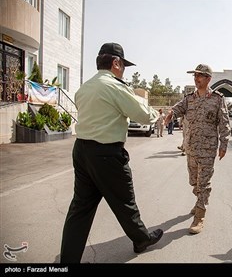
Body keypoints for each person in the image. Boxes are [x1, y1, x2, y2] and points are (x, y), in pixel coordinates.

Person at [60, 42, 163, 263]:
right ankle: (142, 239)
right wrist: (158, 114)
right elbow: (143, 115)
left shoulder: (85, 87)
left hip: (82, 151)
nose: (123, 69)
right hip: (106, 153)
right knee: (125, 202)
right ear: (115, 63)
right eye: (123, 65)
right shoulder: (115, 86)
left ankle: (68, 261)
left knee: (80, 207)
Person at [165, 64, 230, 234]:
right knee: (193, 181)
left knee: (204, 182)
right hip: (191, 147)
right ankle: (199, 199)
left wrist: (224, 144)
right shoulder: (189, 98)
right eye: (195, 75)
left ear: (208, 78)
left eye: (200, 75)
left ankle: (200, 216)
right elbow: (178, 109)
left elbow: (224, 123)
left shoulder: (217, 99)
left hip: (208, 148)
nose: (196, 78)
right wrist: (171, 113)